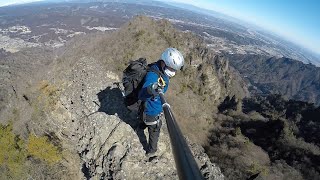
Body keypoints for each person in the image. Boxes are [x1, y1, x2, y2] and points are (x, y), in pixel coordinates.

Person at [138, 48, 184, 157]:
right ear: (164, 63)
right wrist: (152, 88)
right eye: (171, 68)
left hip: (147, 106)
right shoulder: (153, 75)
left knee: (144, 119)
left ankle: (140, 125)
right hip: (152, 110)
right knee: (155, 129)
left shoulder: (159, 68)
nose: (173, 72)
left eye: (175, 70)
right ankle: (151, 151)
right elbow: (145, 90)